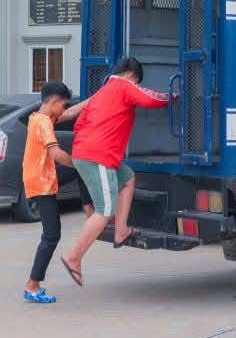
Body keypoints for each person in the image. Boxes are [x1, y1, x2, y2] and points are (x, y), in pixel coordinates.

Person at [60, 56, 171, 287]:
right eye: (137, 81)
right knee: (104, 211)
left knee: (128, 178)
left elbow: (79, 122)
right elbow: (151, 99)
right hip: (97, 156)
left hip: (89, 152)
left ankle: (121, 231)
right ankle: (74, 258)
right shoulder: (123, 85)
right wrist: (173, 96)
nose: (136, 85)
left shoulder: (103, 91)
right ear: (131, 75)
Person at [20, 81, 81, 304]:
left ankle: (90, 209)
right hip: (42, 182)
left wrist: (92, 101)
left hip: (43, 177)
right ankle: (32, 285)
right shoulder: (44, 123)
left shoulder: (36, 117)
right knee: (51, 235)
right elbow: (56, 154)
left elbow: (69, 113)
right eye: (63, 105)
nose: (64, 110)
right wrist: (78, 163)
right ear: (55, 102)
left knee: (80, 171)